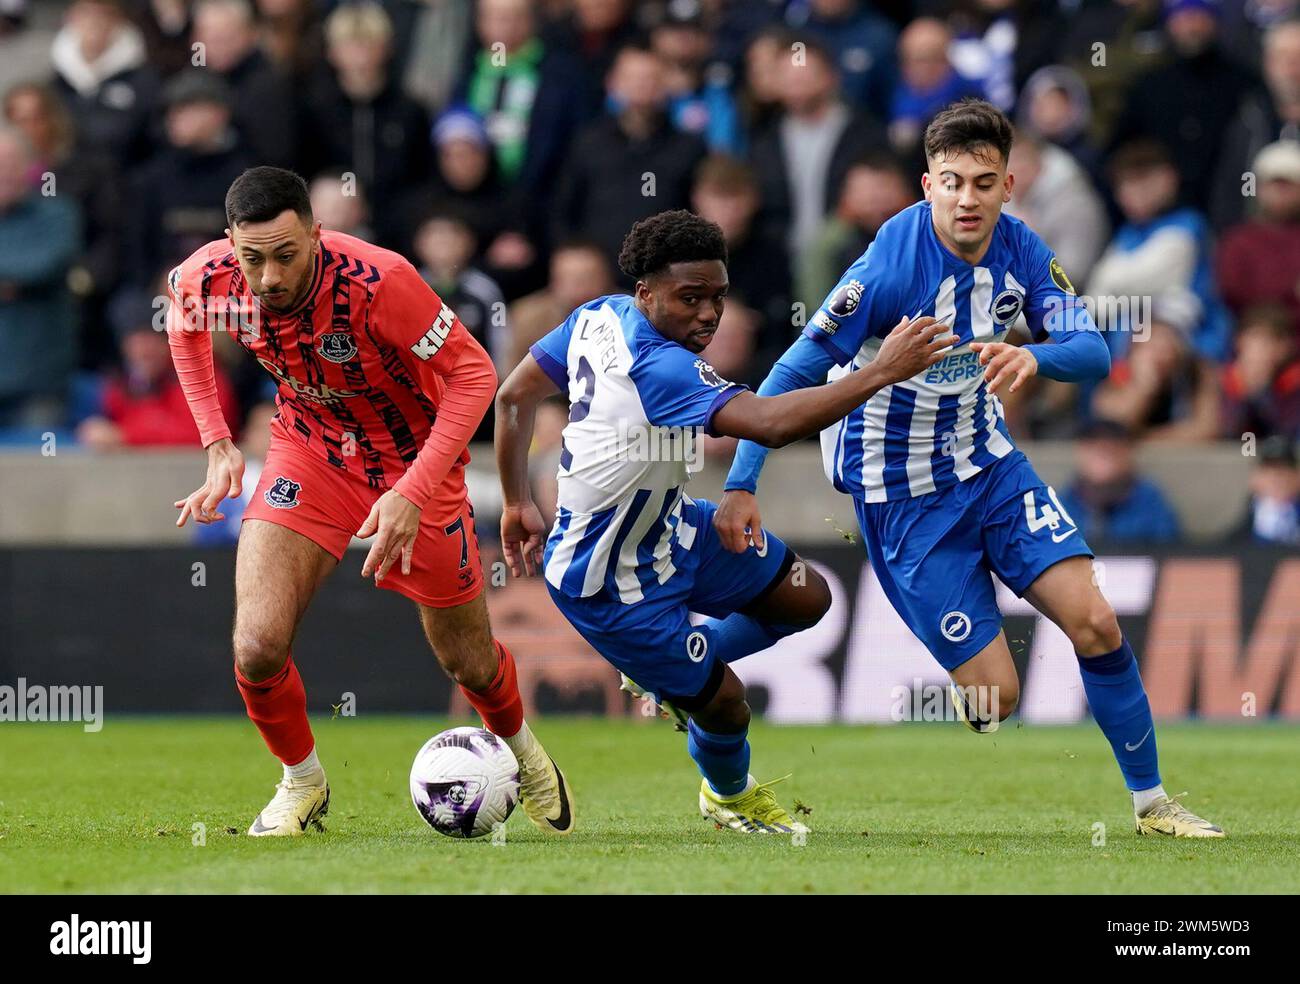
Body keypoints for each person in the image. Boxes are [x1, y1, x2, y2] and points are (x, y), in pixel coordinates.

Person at [719, 99, 1225, 838]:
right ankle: (686, 658)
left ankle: (1152, 804)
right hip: (903, 496)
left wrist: (1033, 352)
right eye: (951, 181)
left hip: (990, 468)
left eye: (982, 182)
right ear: (927, 186)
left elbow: (1093, 351)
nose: (967, 198)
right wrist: (740, 481)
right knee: (997, 700)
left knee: (1098, 622)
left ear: (1007, 185)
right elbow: (793, 372)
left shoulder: (1022, 250)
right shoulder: (888, 266)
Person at [493, 208, 955, 834]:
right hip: (608, 580)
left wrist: (518, 499)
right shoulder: (661, 366)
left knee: (806, 599)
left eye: (717, 297)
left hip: (674, 530)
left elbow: (515, 396)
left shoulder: (598, 315)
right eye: (690, 298)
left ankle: (671, 676)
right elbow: (772, 422)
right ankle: (727, 794)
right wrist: (881, 371)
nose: (708, 314)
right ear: (646, 293)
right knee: (727, 706)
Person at [165, 166, 573, 837]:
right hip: (309, 449)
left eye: (287, 256)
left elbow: (475, 376)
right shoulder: (208, 276)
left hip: (417, 458)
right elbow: (183, 326)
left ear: (318, 236)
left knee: (465, 659)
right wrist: (216, 440)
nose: (269, 277)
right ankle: (301, 782)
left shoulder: (380, 281)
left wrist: (414, 490)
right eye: (253, 258)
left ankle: (524, 753)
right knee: (257, 644)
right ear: (230, 244)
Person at [1057, 419, 1183, 544]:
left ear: (1128, 452)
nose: (1103, 450)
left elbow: (1170, 553)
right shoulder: (1061, 503)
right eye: (1094, 445)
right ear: (1080, 451)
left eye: (1112, 445)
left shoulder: (1149, 500)